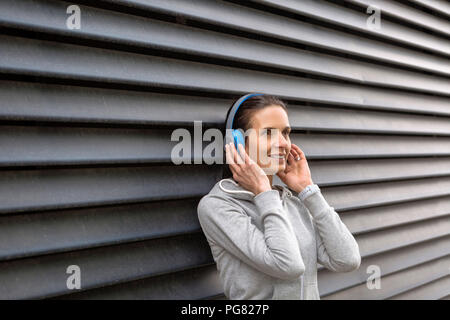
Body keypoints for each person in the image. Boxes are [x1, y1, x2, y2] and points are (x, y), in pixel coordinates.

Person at [197, 94, 361, 299]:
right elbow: (287, 265)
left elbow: (347, 259)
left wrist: (308, 190)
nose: (283, 143)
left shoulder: (291, 202)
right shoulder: (218, 206)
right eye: (268, 133)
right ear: (237, 142)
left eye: (286, 133)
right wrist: (264, 193)